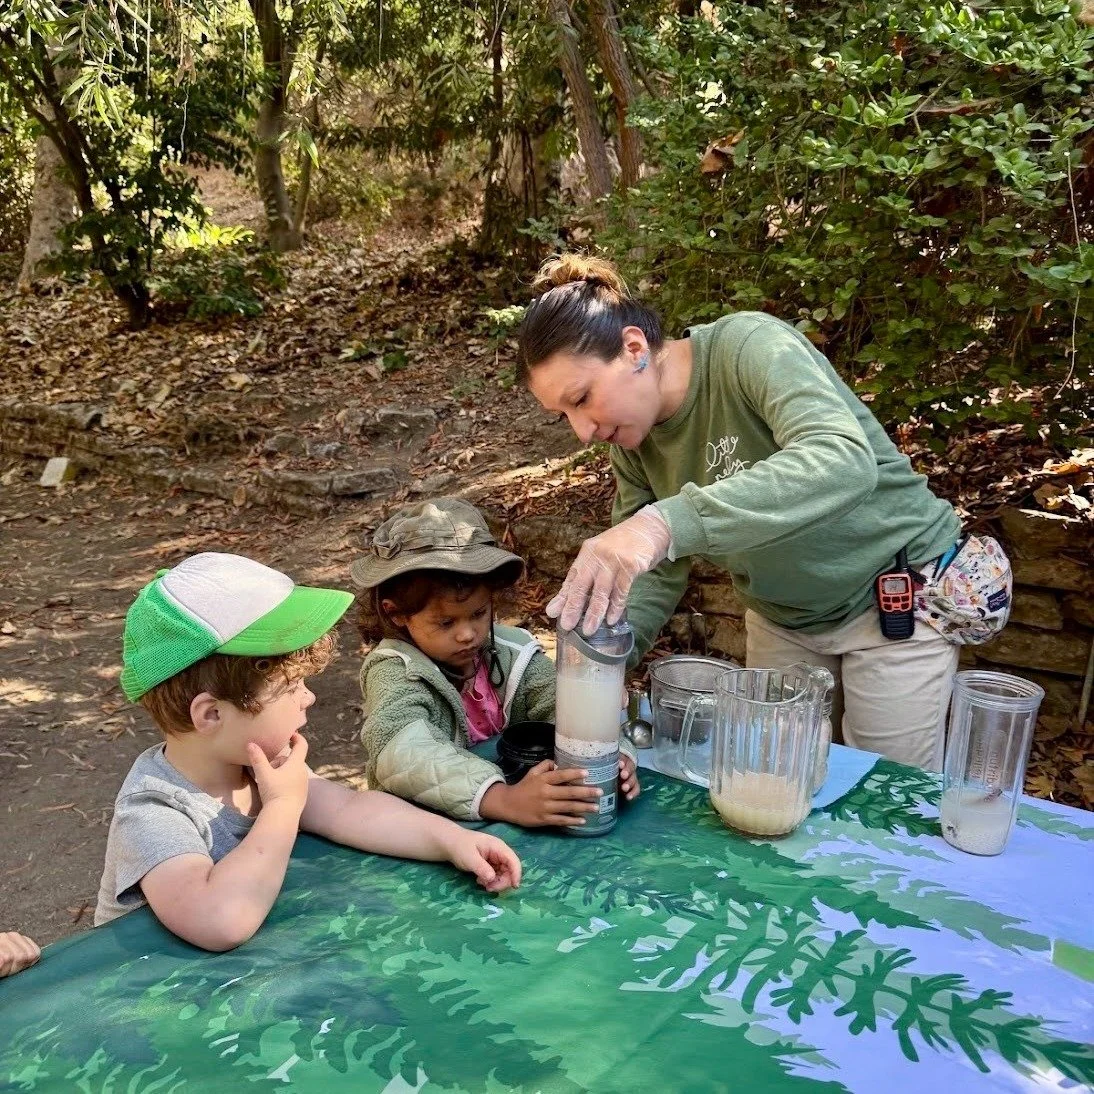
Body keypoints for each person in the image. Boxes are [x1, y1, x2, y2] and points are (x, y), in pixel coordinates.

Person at [518, 254, 1010, 772]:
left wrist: (664, 522)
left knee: (879, 802)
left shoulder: (747, 348)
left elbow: (841, 459)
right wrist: (611, 660)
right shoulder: (631, 444)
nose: (583, 431)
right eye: (564, 414)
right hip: (783, 620)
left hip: (894, 601)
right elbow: (654, 569)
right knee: (774, 781)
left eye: (582, 398)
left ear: (634, 348)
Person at [94, 552, 521, 952]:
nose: (309, 698)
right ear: (211, 715)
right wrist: (282, 806)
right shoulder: (154, 812)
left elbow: (351, 810)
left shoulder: (263, 764)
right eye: (289, 687)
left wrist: (450, 840)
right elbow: (220, 921)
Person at [353, 497, 639, 826]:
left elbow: (561, 705)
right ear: (397, 613)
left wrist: (614, 758)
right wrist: (501, 798)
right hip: (422, 829)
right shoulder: (392, 670)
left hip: (511, 820)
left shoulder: (511, 652)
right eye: (446, 623)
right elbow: (402, 751)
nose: (468, 634)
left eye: (478, 614)